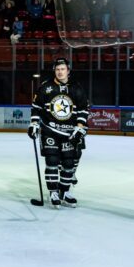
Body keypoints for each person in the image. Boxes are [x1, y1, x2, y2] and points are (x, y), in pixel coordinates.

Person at [28, 58, 90, 207]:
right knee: (52, 162)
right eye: (57, 69)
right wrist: (34, 123)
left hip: (69, 133)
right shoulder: (45, 87)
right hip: (50, 130)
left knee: (69, 163)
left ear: (68, 71)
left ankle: (65, 191)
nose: (60, 72)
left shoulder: (77, 88)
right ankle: (53, 193)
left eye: (63, 69)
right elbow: (36, 107)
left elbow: (83, 109)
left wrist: (80, 126)